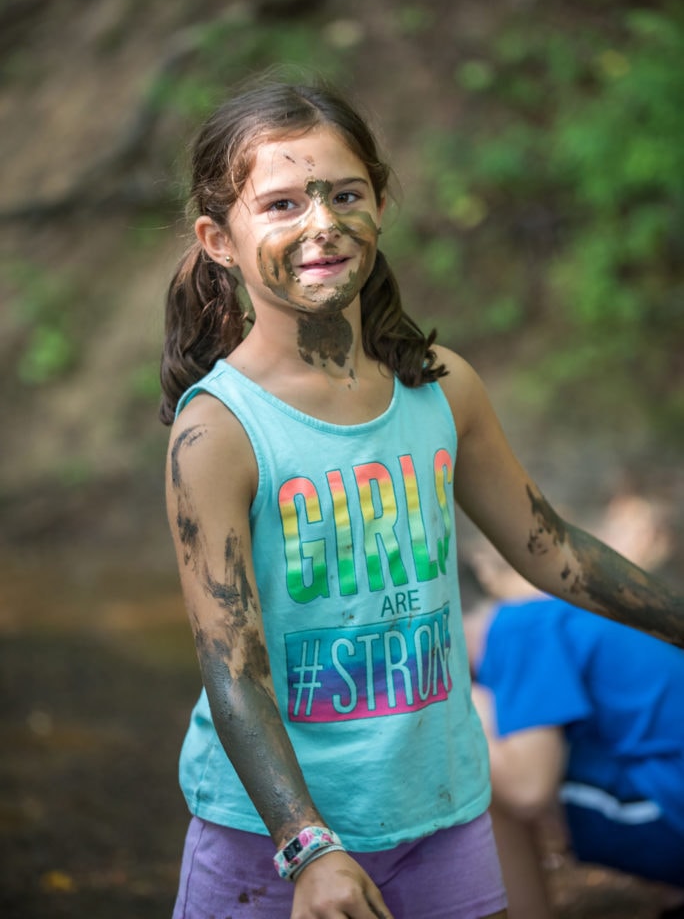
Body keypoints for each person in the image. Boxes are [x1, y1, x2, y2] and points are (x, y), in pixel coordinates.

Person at [159, 76, 683, 919]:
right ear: (219, 238)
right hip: (273, 840)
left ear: (380, 204)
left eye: (345, 194)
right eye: (284, 203)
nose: (322, 223)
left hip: (441, 814)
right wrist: (308, 848)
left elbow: (553, 551)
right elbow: (233, 673)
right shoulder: (219, 430)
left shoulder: (442, 391)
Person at [460, 567, 684, 919]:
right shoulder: (537, 619)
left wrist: (463, 703)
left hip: (672, 807)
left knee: (484, 772)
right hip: (668, 788)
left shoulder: (516, 632)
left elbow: (527, 791)